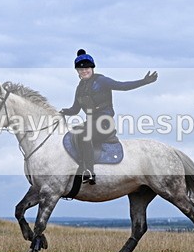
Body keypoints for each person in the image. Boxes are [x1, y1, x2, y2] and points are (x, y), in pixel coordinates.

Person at [60, 49, 158, 184]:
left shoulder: (102, 81)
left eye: (87, 68)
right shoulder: (80, 88)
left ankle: (88, 171)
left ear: (92, 68)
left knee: (84, 135)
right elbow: (75, 109)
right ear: (77, 71)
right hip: (91, 122)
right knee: (74, 132)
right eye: (81, 69)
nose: (84, 71)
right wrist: (62, 112)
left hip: (105, 122)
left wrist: (144, 81)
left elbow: (122, 86)